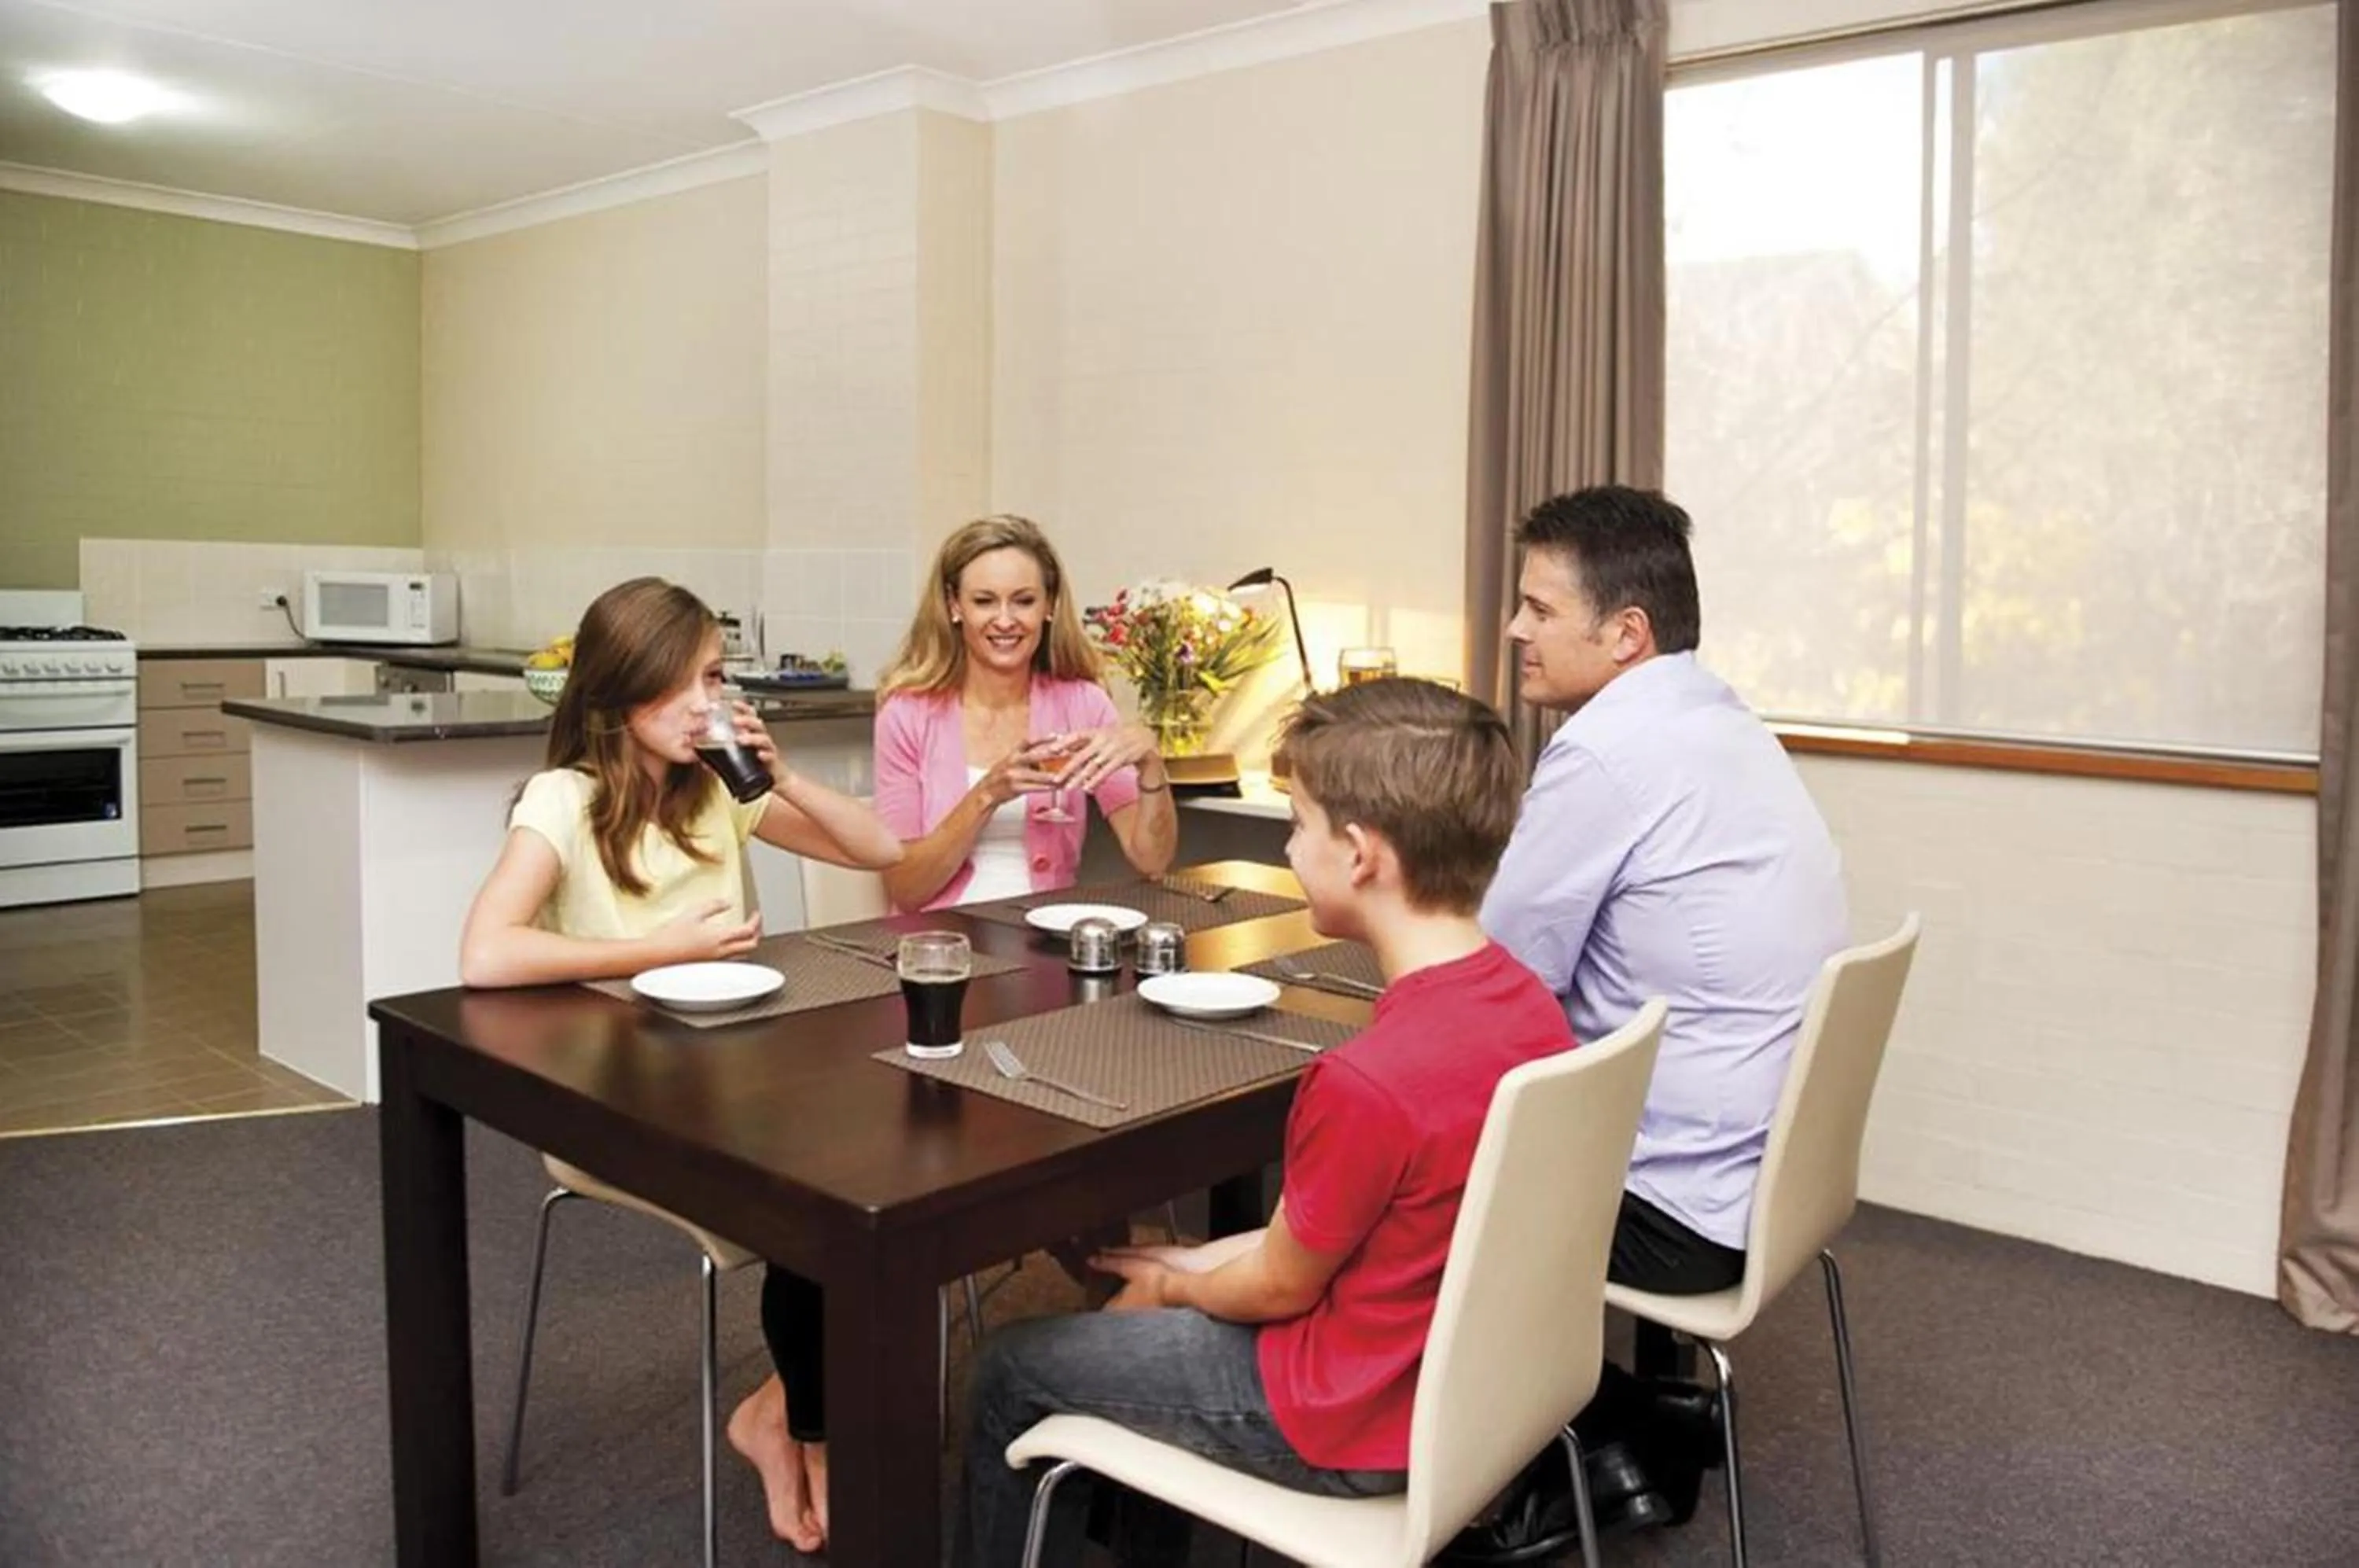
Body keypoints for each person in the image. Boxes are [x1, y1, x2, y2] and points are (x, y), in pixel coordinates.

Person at [958, 678, 1573, 1568]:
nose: (1289, 844)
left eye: (1298, 821)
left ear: (1359, 854)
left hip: (1346, 1413)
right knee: (1127, 1299)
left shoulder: (1365, 1079)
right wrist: (1187, 1259)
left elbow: (1280, 1288)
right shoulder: (1527, 1003)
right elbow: (1357, 1230)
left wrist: (1176, 1285)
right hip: (1478, 1389)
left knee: (1008, 1367)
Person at [456, 576, 904, 1555]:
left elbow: (882, 848)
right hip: (618, 1097)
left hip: (737, 1076)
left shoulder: (716, 792)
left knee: (886, 1161)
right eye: (693, 680)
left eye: (718, 674)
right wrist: (655, 949)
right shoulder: (564, 800)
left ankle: (781, 1411)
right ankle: (815, 1434)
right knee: (827, 1197)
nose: (713, 699)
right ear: (624, 693)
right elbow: (487, 953)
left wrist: (779, 773)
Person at [1478, 484, 1849, 1529]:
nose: (1515, 629)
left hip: (1675, 1206)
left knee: (1411, 1174)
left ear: (1627, 633)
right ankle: (1637, 1430)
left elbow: (1502, 973)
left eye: (1539, 608)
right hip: (1766, 1184)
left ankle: (1541, 1451)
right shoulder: (1723, 719)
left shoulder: (1605, 749)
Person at [871, 513, 1179, 912]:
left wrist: (1151, 766)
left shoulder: (1083, 703)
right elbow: (906, 888)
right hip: (941, 946)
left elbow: (1152, 861)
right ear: (954, 606)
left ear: (1048, 605)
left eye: (1024, 601)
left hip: (1047, 938)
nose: (1005, 620)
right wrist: (988, 794)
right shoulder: (907, 714)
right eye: (984, 601)